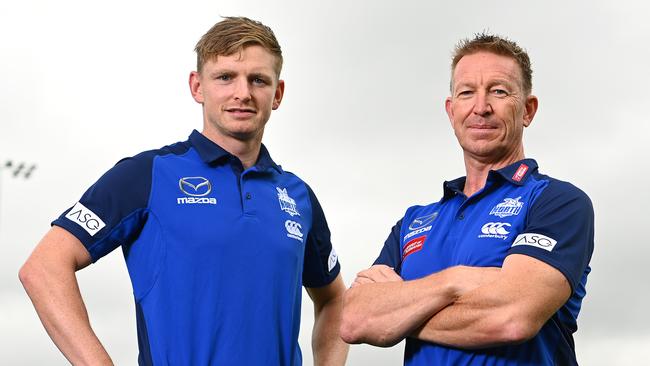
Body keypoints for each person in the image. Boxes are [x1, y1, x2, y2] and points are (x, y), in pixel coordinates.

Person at [19, 16, 348, 366]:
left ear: (277, 93)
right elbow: (43, 267)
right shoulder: (148, 174)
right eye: (225, 77)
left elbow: (333, 299)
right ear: (197, 87)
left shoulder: (297, 196)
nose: (243, 93)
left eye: (258, 80)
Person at [340, 33, 594, 365]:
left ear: (528, 110)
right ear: (451, 110)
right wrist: (455, 281)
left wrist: (399, 313)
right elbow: (353, 319)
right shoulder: (413, 223)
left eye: (499, 91)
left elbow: (512, 317)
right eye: (466, 93)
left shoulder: (557, 203)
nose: (481, 107)